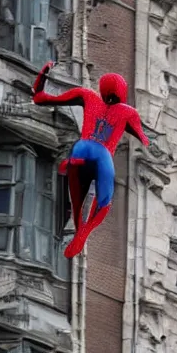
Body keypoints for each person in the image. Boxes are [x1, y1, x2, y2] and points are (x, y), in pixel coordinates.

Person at [31, 61, 150, 258]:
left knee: (76, 197)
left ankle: (73, 223)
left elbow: (41, 98)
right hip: (103, 155)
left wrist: (43, 75)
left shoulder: (86, 96)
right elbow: (144, 139)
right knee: (103, 202)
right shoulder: (128, 112)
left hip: (81, 148)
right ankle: (82, 235)